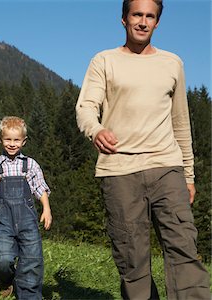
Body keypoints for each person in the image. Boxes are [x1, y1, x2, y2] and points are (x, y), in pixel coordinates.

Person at [76, 0, 210, 298]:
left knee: (183, 247)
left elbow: (181, 121)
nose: (143, 21)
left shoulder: (172, 63)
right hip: (119, 170)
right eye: (137, 14)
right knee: (131, 255)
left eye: (150, 16)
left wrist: (188, 174)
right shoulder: (104, 60)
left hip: (166, 166)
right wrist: (95, 129)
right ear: (123, 19)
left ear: (157, 22)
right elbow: (86, 106)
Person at [0, 116, 52, 299]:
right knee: (3, 260)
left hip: (28, 222)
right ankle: (6, 280)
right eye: (7, 139)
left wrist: (46, 209)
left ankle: (29, 295)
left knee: (32, 259)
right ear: (0, 140)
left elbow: (40, 188)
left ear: (23, 141)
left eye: (16, 140)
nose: (12, 144)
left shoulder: (30, 165)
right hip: (3, 222)